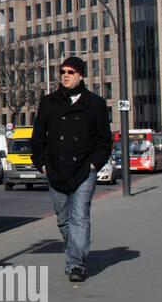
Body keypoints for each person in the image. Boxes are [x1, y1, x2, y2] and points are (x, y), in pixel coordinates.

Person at [31, 56, 112, 282]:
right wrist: (44, 165)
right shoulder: (49, 102)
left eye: (71, 72)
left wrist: (93, 164)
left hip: (83, 170)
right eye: (63, 72)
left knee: (80, 217)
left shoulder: (95, 104)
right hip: (56, 171)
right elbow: (37, 138)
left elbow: (105, 141)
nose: (65, 75)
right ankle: (75, 249)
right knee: (63, 219)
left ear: (81, 76)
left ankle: (76, 264)